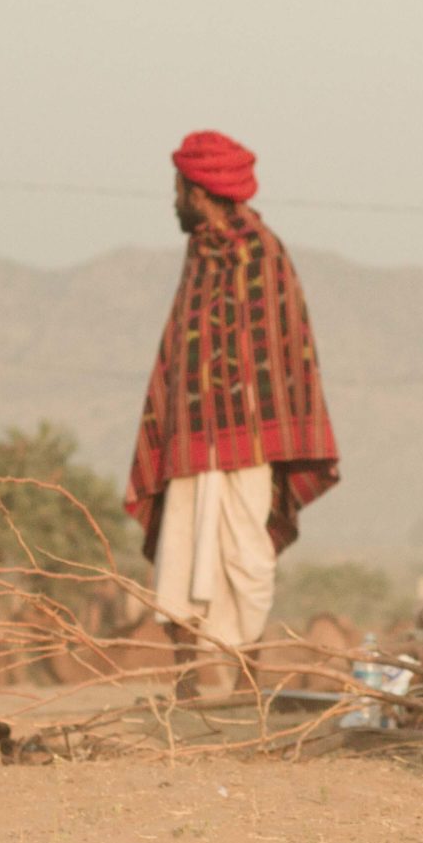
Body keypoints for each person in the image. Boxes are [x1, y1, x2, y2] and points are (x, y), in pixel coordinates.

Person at [128, 131, 340, 700]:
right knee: (177, 555)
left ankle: (244, 676)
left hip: (250, 444)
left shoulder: (262, 253)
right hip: (191, 442)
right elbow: (183, 352)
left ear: (199, 191)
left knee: (247, 560)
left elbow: (282, 352)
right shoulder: (198, 254)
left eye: (178, 188)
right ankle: (185, 683)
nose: (174, 200)